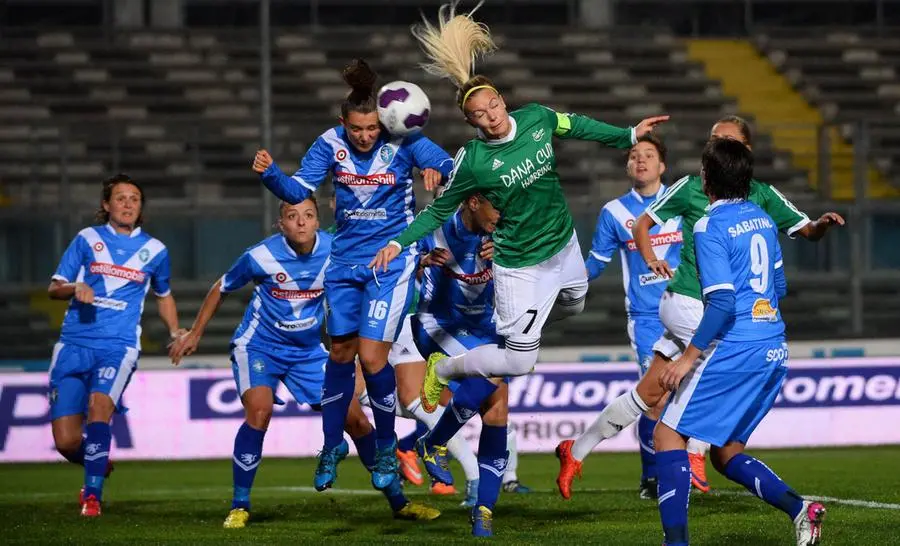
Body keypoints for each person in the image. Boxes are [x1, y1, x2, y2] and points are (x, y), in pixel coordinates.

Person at [370, 1, 669, 411]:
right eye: (479, 114)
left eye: (493, 105)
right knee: (520, 361)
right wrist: (399, 243)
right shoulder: (473, 161)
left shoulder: (536, 118)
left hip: (562, 243)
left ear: (501, 99)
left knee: (576, 301)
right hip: (520, 262)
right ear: (470, 122)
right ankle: (443, 369)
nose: (491, 116)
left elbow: (577, 125)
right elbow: (439, 211)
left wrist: (628, 134)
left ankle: (518, 328)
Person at [555, 116, 845, 498]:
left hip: (712, 312)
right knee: (727, 358)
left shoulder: (763, 195)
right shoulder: (692, 187)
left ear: (746, 152)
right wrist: (650, 258)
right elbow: (642, 225)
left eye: (726, 141)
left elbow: (805, 230)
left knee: (649, 395)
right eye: (713, 140)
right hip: (692, 302)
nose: (716, 147)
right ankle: (695, 450)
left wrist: (821, 224)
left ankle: (575, 450)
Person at [169, 198, 440, 528]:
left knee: (355, 420)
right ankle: (240, 505)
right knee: (260, 410)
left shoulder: (336, 250)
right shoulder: (261, 256)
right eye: (292, 216)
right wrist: (195, 333)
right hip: (259, 348)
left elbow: (376, 268)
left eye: (308, 215)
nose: (301, 222)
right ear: (280, 224)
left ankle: (399, 503)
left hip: (308, 352)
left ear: (317, 221)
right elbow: (220, 287)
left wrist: (420, 260)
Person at [252, 58, 453, 491]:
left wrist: (438, 170)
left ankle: (384, 446)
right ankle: (331, 445)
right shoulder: (329, 143)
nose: (364, 136)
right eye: (356, 129)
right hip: (343, 265)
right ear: (342, 122)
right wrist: (271, 175)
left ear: (384, 122)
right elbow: (298, 192)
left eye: (371, 129)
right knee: (340, 355)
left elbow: (452, 166)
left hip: (390, 264)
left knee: (373, 356)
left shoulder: (407, 140)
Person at [653, 137, 825, 546]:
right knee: (726, 453)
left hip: (738, 345)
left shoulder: (708, 224)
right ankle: (801, 510)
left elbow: (723, 303)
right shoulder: (763, 219)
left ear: (706, 179)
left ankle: (675, 543)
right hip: (774, 346)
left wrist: (686, 359)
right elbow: (778, 285)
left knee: (666, 435)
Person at [47, 174, 184, 517]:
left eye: (134, 199)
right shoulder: (86, 239)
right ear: (106, 205)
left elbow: (163, 295)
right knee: (65, 441)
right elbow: (55, 287)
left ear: (141, 208)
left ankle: (91, 497)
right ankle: (97, 462)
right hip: (73, 344)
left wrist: (175, 330)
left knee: (99, 408)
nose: (127, 204)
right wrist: (74, 288)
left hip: (119, 346)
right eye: (120, 198)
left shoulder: (155, 250)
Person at [409, 193, 515, 536]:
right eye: (494, 207)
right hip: (437, 325)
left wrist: (508, 256)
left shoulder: (505, 233)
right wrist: (421, 261)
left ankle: (484, 509)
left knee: (497, 412)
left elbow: (534, 269)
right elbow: (393, 257)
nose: (500, 215)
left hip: (484, 327)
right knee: (495, 374)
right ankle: (433, 442)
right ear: (472, 202)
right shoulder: (435, 227)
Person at [582, 134, 681, 498]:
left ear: (662, 165)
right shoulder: (614, 212)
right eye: (634, 156)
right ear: (627, 166)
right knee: (655, 398)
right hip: (647, 318)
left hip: (689, 313)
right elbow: (595, 264)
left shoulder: (682, 201)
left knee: (692, 396)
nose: (640, 161)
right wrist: (561, 280)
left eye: (649, 155)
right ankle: (653, 478)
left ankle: (689, 466)